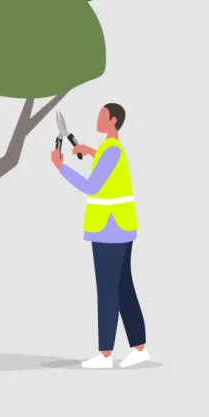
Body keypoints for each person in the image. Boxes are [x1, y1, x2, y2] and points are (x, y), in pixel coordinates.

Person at [50, 103, 150, 369]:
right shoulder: (109, 147)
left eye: (101, 116)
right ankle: (139, 347)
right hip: (120, 228)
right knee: (123, 288)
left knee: (107, 291)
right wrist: (89, 151)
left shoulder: (112, 150)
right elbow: (107, 161)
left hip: (109, 230)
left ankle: (105, 354)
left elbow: (92, 186)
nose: (97, 119)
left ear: (113, 120)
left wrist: (62, 168)